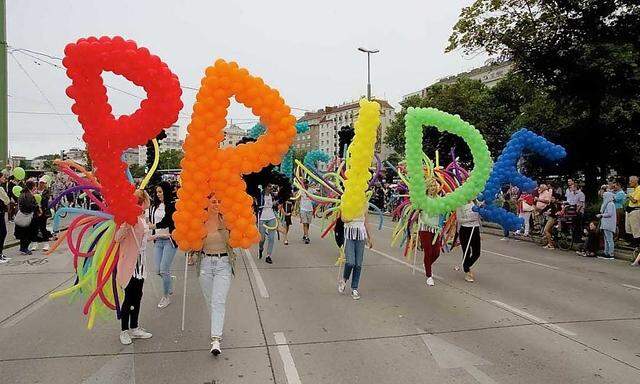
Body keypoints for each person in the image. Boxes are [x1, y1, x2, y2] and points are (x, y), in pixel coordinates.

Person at [115, 189, 153, 345]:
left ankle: (135, 327)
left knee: (137, 296)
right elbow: (117, 238)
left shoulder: (142, 218)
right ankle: (124, 331)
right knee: (129, 298)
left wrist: (157, 236)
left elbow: (142, 241)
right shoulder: (129, 219)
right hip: (130, 265)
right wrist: (125, 224)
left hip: (141, 264)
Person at [198, 195, 234, 356]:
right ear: (207, 203)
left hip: (223, 264)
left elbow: (237, 239)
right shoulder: (201, 221)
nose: (217, 204)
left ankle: (216, 338)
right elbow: (193, 241)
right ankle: (216, 326)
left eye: (220, 201)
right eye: (214, 201)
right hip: (205, 264)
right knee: (210, 300)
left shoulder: (227, 220)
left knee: (218, 301)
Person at [149, 181, 177, 309]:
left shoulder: (172, 204)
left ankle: (166, 297)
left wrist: (153, 226)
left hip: (169, 241)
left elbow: (168, 221)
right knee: (158, 270)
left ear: (165, 191)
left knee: (164, 269)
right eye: (157, 192)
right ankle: (169, 280)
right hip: (158, 240)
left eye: (160, 191)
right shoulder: (155, 206)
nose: (158, 194)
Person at [337, 206, 372, 300]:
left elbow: (366, 222)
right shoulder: (346, 201)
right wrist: (351, 214)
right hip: (349, 235)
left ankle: (354, 288)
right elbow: (343, 219)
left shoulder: (364, 204)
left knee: (358, 264)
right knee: (350, 262)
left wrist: (369, 238)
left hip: (361, 236)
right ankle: (344, 279)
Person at [418, 181, 441, 286]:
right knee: (428, 251)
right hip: (425, 228)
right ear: (427, 188)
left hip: (436, 229)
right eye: (430, 186)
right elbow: (418, 208)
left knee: (436, 252)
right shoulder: (423, 199)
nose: (432, 188)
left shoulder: (440, 199)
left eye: (434, 186)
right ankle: (429, 276)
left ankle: (427, 264)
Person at [456, 201, 482, 282]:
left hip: (475, 229)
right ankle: (467, 271)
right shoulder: (460, 204)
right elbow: (459, 219)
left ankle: (466, 265)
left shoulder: (476, 202)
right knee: (467, 251)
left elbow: (481, 215)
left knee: (477, 253)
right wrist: (470, 219)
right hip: (465, 230)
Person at [14, 180, 37, 255]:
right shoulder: (28, 195)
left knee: (23, 233)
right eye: (34, 186)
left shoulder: (22, 193)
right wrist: (36, 207)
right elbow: (29, 205)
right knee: (28, 233)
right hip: (27, 215)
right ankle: (25, 248)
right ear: (32, 187)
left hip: (22, 214)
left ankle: (22, 248)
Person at [258, 184, 277, 264]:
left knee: (271, 238)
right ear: (265, 187)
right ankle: (260, 248)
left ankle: (268, 256)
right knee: (262, 239)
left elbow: (275, 203)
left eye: (271, 186)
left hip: (271, 218)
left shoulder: (273, 195)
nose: (271, 188)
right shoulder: (260, 195)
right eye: (269, 186)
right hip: (262, 218)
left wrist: (277, 202)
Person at [597, 191, 616, 260]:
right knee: (606, 239)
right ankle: (606, 252)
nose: (603, 198)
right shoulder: (609, 203)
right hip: (606, 224)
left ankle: (610, 253)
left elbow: (609, 213)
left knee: (609, 239)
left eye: (604, 196)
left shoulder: (610, 204)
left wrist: (601, 215)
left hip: (608, 224)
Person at [625, 176, 640, 255]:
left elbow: (634, 201)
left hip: (635, 210)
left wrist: (628, 195)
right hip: (630, 210)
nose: (629, 182)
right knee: (629, 228)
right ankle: (633, 243)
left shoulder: (639, 189)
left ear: (635, 181)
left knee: (635, 229)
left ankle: (637, 246)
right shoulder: (633, 189)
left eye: (631, 181)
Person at [0, 173, 10, 263]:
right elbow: (7, 200)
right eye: (3, 177)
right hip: (0, 212)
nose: (4, 179)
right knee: (3, 232)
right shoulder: (0, 189)